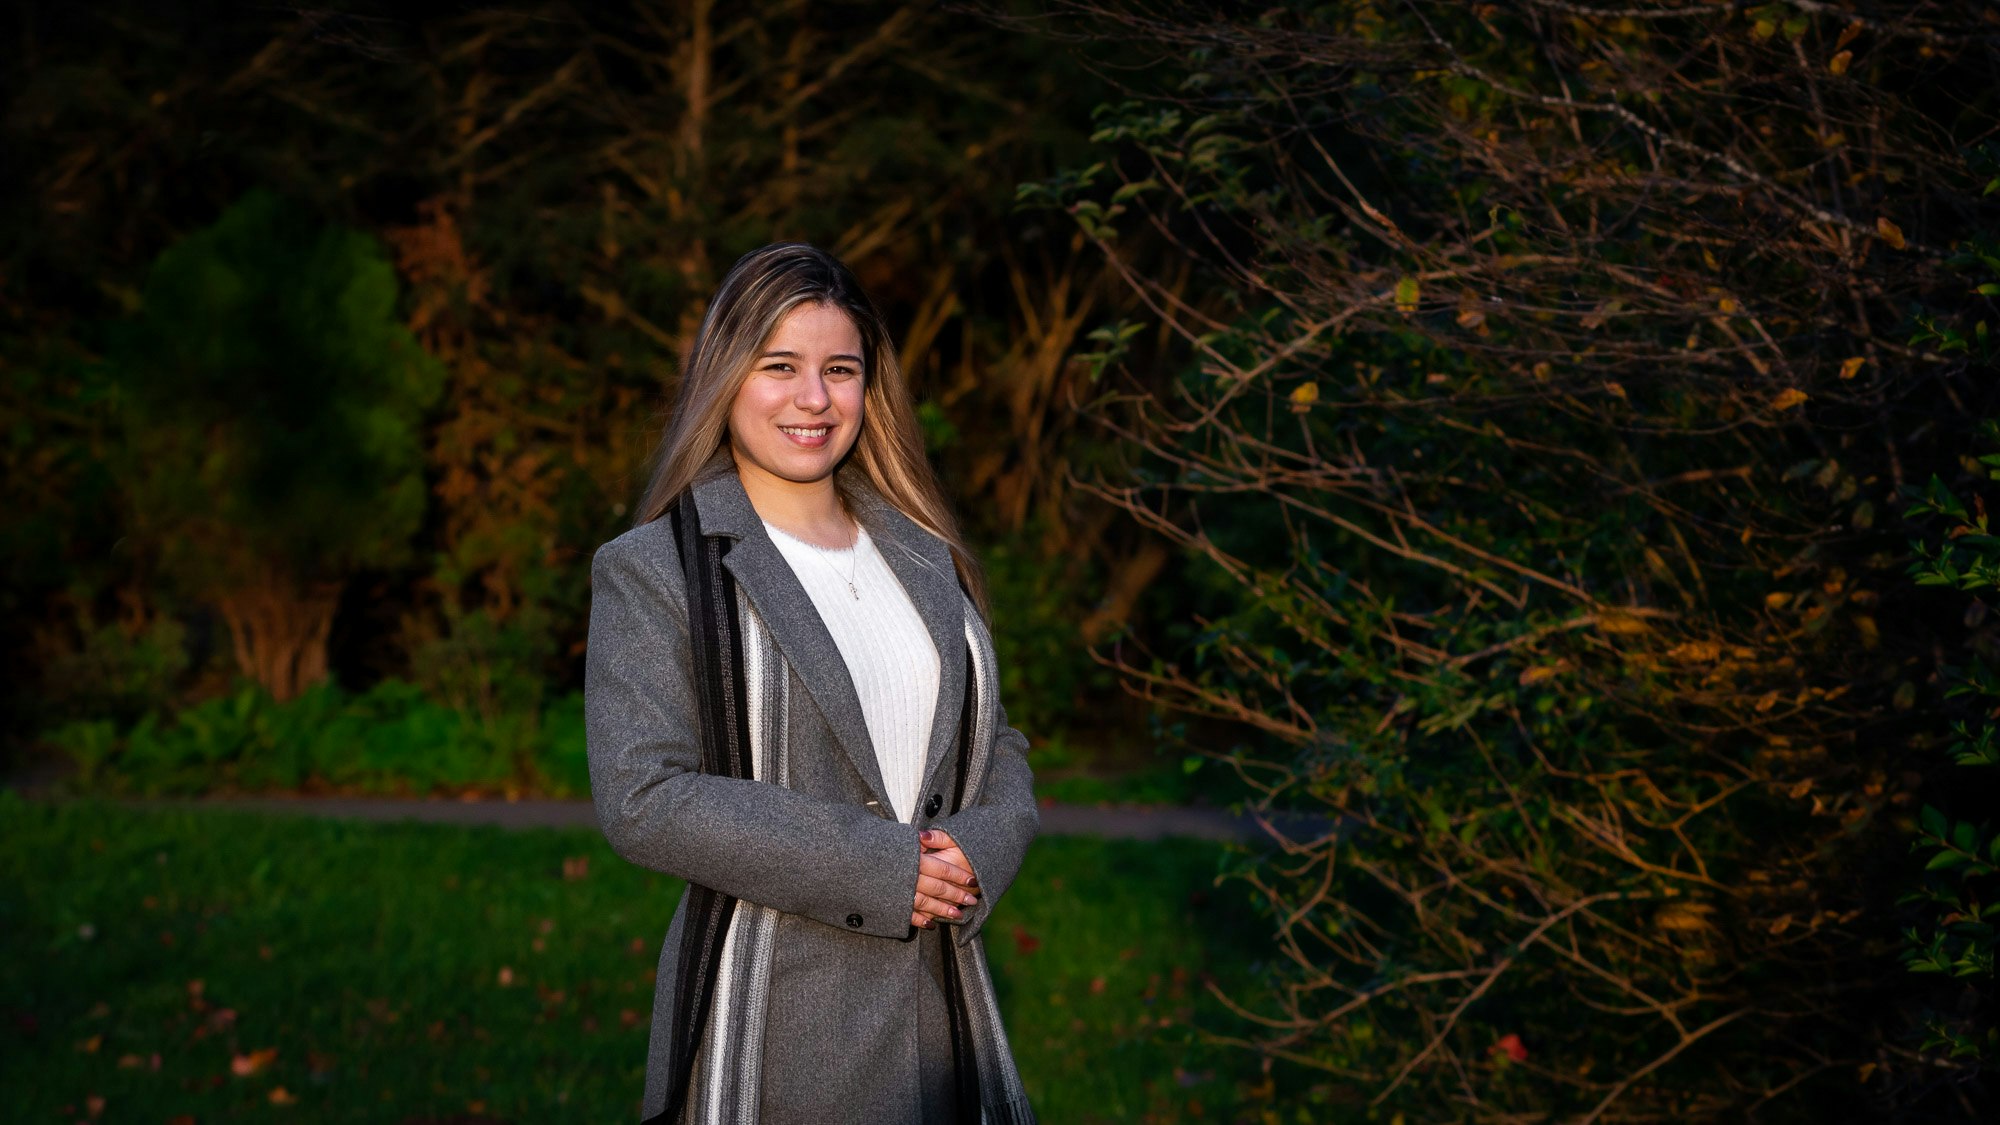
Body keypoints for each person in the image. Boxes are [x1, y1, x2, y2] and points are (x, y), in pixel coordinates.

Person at [584, 242, 1039, 1125]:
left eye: (840, 369)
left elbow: (1001, 745)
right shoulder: (656, 568)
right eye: (779, 366)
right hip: (773, 1015)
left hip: (948, 1009)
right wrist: (884, 865)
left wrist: (980, 850)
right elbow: (642, 795)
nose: (813, 399)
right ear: (727, 377)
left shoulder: (923, 550)